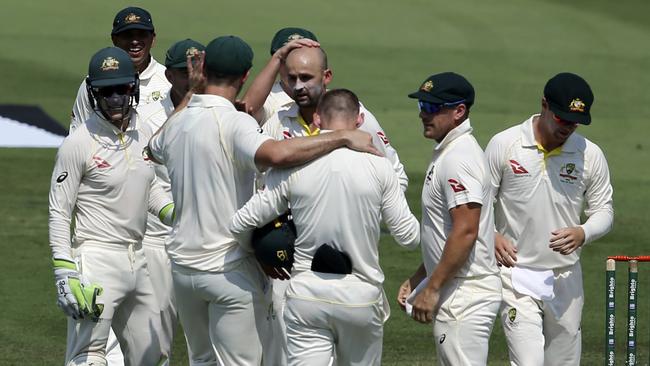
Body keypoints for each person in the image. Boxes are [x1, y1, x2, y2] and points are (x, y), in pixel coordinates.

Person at [147, 35, 380, 366]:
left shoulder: (177, 123)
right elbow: (276, 154)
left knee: (201, 361)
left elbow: (151, 148)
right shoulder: (235, 122)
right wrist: (342, 135)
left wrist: (189, 94)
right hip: (227, 268)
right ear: (244, 77)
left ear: (204, 71)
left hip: (183, 271)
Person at [230, 88, 420, 366]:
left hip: (306, 296)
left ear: (317, 119)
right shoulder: (381, 167)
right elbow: (409, 237)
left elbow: (240, 223)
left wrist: (261, 251)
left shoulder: (293, 167)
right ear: (360, 120)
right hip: (361, 298)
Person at [49, 47, 173, 366]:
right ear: (94, 93)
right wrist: (65, 271)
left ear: (133, 88)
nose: (116, 98)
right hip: (96, 261)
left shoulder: (141, 129)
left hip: (138, 258)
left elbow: (150, 184)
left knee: (152, 353)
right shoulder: (78, 144)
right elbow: (60, 212)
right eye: (107, 91)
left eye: (123, 88)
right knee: (89, 357)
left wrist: (172, 213)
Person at [485, 72, 614, 366]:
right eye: (562, 118)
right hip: (517, 274)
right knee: (529, 362)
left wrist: (584, 232)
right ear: (544, 105)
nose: (568, 127)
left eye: (574, 122)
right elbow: (478, 202)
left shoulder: (589, 155)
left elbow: (604, 211)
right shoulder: (505, 144)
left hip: (566, 278)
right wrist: (491, 234)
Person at [397, 72, 502, 365]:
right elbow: (445, 229)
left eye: (432, 108)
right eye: (422, 106)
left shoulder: (459, 157)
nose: (423, 114)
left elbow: (466, 230)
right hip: (458, 288)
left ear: (459, 111)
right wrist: (422, 274)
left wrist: (432, 288)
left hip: (466, 293)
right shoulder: (449, 151)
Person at [241, 31, 409, 192]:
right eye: (293, 78)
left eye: (306, 77)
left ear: (326, 76)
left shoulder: (352, 112)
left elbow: (396, 176)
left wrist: (367, 215)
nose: (298, 86)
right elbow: (258, 169)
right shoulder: (280, 119)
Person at [136, 38, 206, 365]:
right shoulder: (148, 116)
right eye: (184, 72)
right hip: (158, 241)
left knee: (206, 345)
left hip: (207, 243)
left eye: (199, 69)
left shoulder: (222, 111)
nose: (193, 77)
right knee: (155, 346)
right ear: (169, 76)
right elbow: (147, 161)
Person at [70, 6, 170, 132]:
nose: (134, 41)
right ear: (114, 39)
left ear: (153, 39)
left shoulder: (168, 80)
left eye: (141, 35)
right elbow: (78, 133)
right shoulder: (95, 83)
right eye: (127, 35)